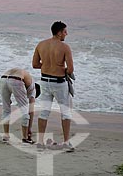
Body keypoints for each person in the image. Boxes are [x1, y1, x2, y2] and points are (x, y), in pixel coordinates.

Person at [32, 21, 75, 152]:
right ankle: (66, 142)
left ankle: (40, 142)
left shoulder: (41, 44)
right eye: (65, 31)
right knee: (65, 113)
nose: (66, 34)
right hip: (59, 83)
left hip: (44, 81)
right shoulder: (65, 47)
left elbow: (35, 64)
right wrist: (61, 69)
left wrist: (47, 66)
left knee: (44, 112)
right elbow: (70, 69)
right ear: (59, 32)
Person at [0, 68, 40, 144]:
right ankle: (25, 138)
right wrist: (29, 129)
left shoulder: (28, 79)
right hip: (17, 80)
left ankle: (6, 136)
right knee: (24, 110)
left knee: (6, 109)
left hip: (3, 78)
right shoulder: (33, 89)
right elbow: (31, 110)